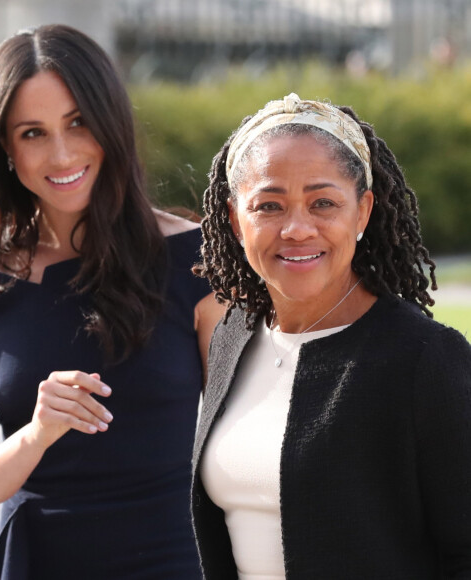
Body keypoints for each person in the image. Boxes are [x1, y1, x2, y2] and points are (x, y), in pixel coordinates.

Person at [0, 24, 224, 579]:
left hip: (175, 562)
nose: (61, 154)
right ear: (4, 147)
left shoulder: (199, 261)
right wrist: (37, 433)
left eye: (78, 123)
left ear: (111, 123)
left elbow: (252, 446)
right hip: (37, 563)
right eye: (33, 133)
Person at [191, 92, 471, 579]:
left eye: (323, 203)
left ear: (362, 212)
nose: (298, 228)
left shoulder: (424, 358)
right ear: (236, 220)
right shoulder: (233, 336)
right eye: (269, 206)